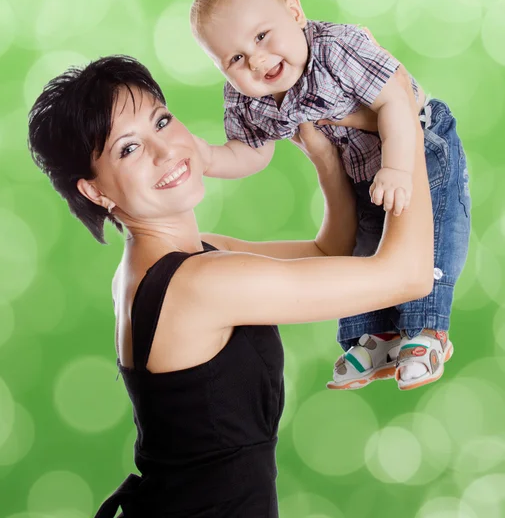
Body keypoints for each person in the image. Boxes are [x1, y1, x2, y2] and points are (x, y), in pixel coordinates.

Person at [28, 55, 433, 517]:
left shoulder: (174, 262)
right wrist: (402, 121)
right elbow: (408, 275)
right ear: (96, 193)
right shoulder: (198, 283)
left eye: (161, 121)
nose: (165, 151)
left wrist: (322, 156)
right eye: (128, 149)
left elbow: (328, 255)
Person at [190, 0, 471, 390]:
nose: (258, 61)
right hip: (361, 171)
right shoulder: (249, 100)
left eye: (262, 36)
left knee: (430, 238)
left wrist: (397, 168)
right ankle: (374, 337)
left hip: (419, 145)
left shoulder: (336, 49)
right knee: (364, 248)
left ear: (295, 13)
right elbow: (252, 153)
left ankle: (427, 330)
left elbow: (396, 99)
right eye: (236, 58)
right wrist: (208, 157)